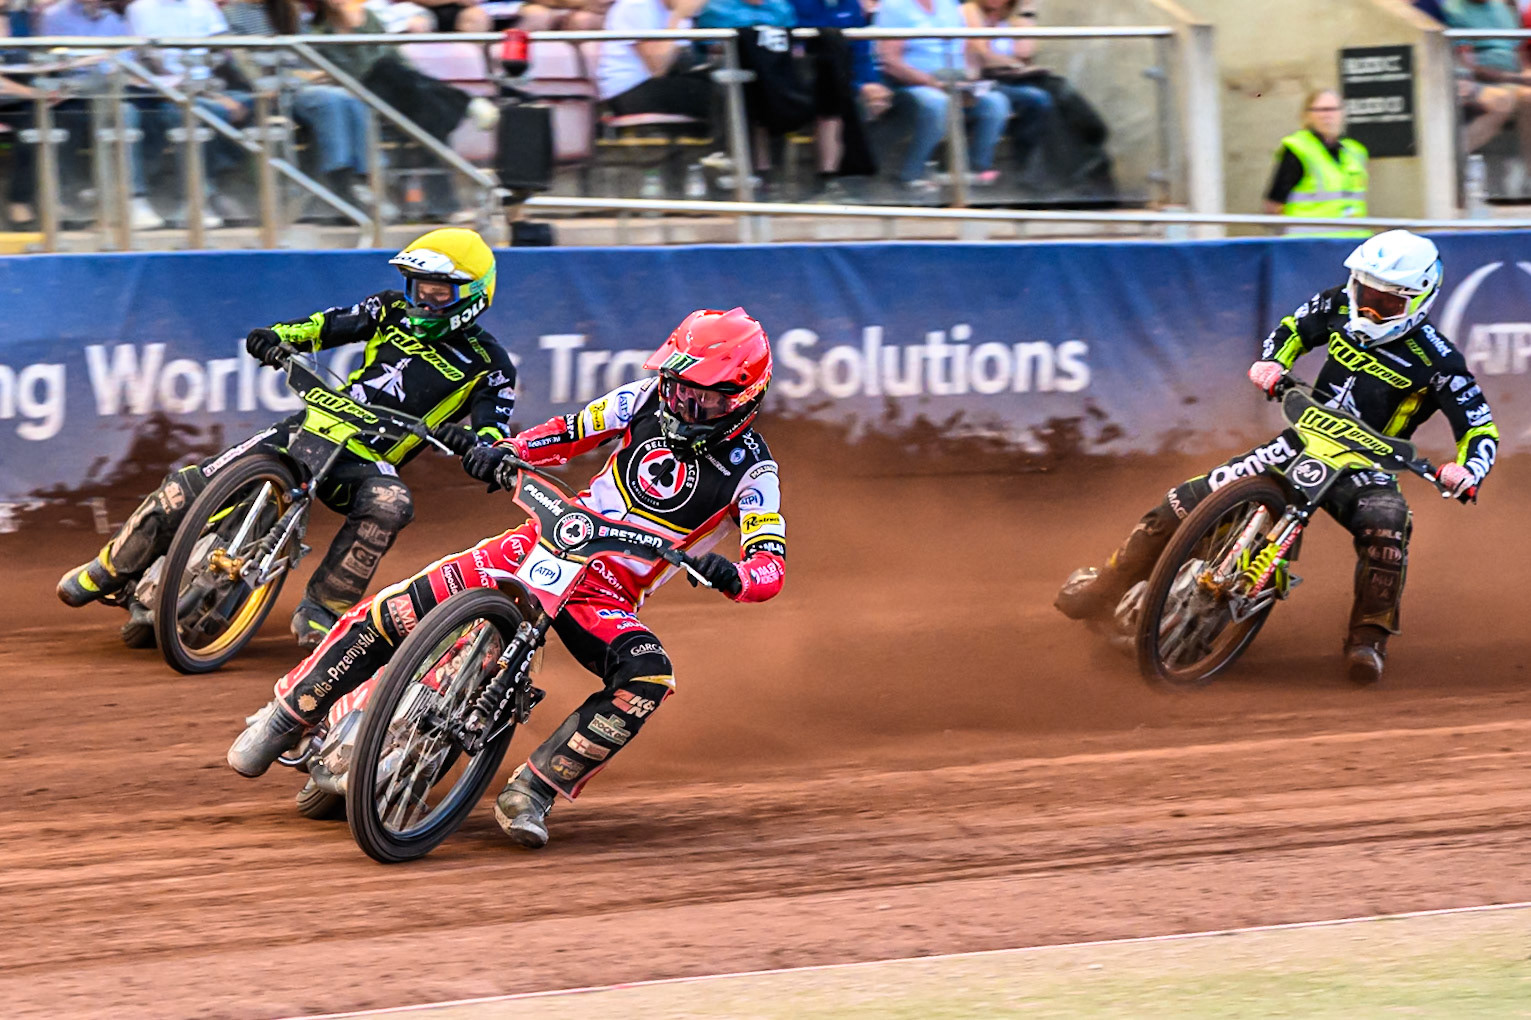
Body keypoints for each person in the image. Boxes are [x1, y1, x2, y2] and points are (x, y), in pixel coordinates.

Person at [226, 307, 787, 850]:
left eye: (703, 393)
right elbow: (568, 432)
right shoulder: (641, 399)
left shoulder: (755, 473)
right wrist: (505, 451)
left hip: (605, 594)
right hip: (543, 539)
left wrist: (733, 575)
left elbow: (770, 565)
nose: (684, 399)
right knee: (401, 606)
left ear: (742, 399)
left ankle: (535, 789)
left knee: (648, 678)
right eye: (677, 381)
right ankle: (288, 715)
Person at [1054, 231, 1497, 685]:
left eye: (1385, 305)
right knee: (1185, 500)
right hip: (1299, 442)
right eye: (1363, 294)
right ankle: (1105, 587)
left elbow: (1480, 428)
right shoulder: (1335, 306)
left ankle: (1368, 639)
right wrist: (1273, 363)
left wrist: (1468, 470)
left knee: (1387, 532)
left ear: (1419, 300)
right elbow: (1292, 330)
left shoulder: (1440, 361)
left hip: (1369, 468)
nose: (1367, 309)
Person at [57, 228, 516, 649]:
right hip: (312, 426)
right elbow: (324, 325)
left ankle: (323, 609)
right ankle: (109, 568)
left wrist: (483, 448)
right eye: (419, 288)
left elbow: (494, 426)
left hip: (366, 457)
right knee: (186, 486)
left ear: (472, 297)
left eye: (439, 292)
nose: (425, 301)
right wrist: (276, 336)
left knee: (391, 502)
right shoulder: (388, 308)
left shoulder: (490, 364)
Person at [874, 0, 1010, 194]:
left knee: (996, 103)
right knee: (938, 104)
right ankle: (911, 175)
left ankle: (973, 171)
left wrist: (968, 80)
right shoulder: (895, 6)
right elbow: (890, 61)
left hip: (953, 80)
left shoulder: (949, 4)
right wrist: (931, 82)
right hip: (911, 83)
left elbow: (965, 51)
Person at [1445, 0, 1531, 188]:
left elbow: (1519, 54)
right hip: (1476, 81)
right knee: (1506, 101)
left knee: (1527, 98)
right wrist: (1515, 78)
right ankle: (1445, 164)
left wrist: (1525, 73)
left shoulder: (1503, 9)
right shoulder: (1454, 10)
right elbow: (1467, 65)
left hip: (1512, 80)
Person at [960, 0, 1051, 174]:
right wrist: (1014, 64)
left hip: (1008, 79)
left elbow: (1025, 52)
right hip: (981, 80)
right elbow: (982, 55)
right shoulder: (971, 10)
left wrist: (1026, 12)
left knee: (1046, 96)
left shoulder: (1008, 17)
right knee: (1032, 98)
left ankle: (1028, 164)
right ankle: (980, 167)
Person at [1262, 89, 1369, 236]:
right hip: (1309, 244)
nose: (1327, 115)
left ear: (1342, 113)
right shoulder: (1298, 148)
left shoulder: (1355, 151)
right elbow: (1274, 204)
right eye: (1320, 110)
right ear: (1308, 115)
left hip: (1351, 243)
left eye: (1333, 109)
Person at [597, 0, 713, 121]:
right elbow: (658, 67)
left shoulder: (670, 11)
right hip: (630, 89)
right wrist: (679, 15)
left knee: (721, 85)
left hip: (656, 83)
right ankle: (726, 139)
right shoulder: (637, 5)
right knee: (718, 95)